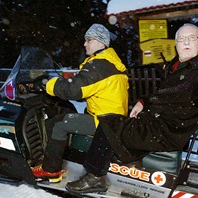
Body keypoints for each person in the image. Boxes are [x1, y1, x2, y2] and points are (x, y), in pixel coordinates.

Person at [65, 23, 198, 194]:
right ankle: (130, 164)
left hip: (168, 130)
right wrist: (143, 102)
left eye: (192, 38)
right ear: (175, 44)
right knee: (120, 121)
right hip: (156, 122)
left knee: (109, 122)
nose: (186, 42)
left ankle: (95, 177)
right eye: (181, 39)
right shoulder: (177, 66)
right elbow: (163, 94)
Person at [30, 23, 129, 182]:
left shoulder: (99, 65)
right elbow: (88, 89)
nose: (85, 44)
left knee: (57, 123)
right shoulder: (109, 63)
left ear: (101, 43)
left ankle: (50, 169)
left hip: (104, 122)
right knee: (69, 116)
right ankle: (66, 159)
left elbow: (73, 90)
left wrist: (46, 84)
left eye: (89, 40)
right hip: (111, 118)